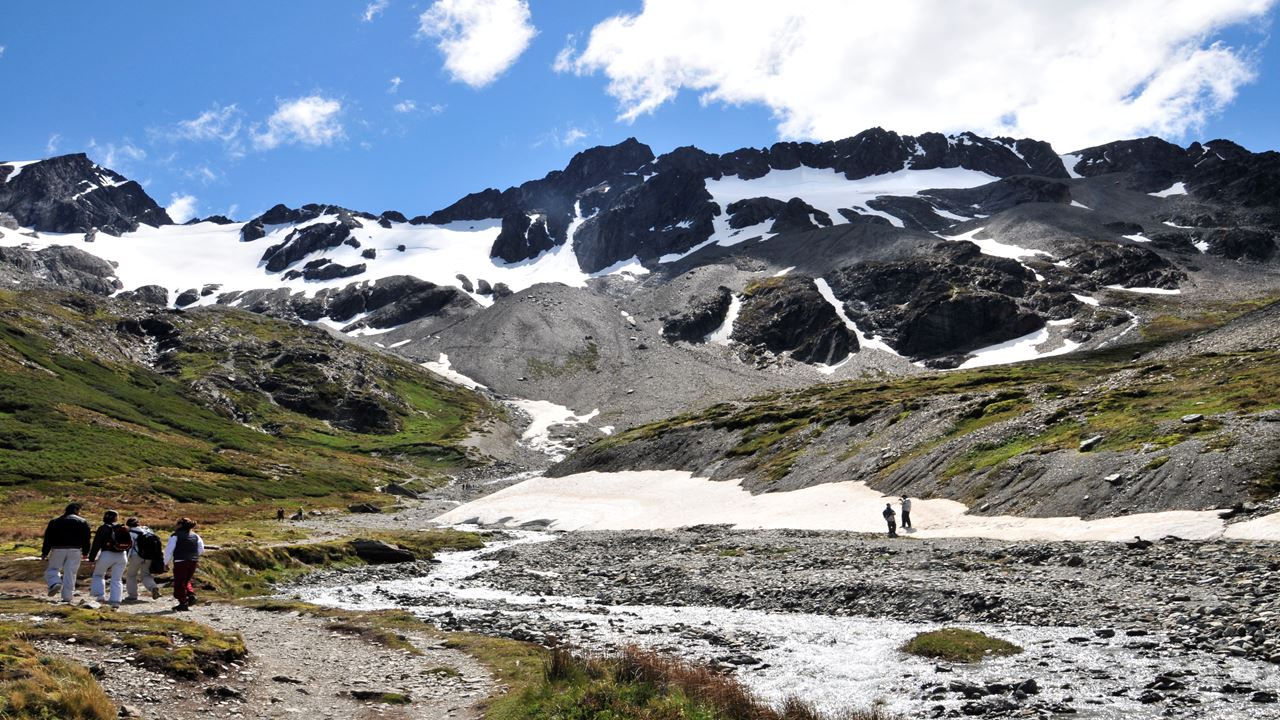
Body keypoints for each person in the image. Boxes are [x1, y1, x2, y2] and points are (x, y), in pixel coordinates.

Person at [42, 503, 91, 603]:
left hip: (58, 548)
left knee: (53, 569)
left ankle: (55, 582)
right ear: (77, 510)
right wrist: (86, 552)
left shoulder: (55, 521)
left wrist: (45, 552)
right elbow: (86, 539)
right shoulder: (83, 521)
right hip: (76, 550)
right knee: (71, 572)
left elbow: (48, 538)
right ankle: (67, 597)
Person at [88, 510, 132, 610]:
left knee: (98, 574)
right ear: (115, 518)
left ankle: (100, 597)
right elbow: (130, 544)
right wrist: (126, 555)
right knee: (117, 579)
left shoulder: (103, 528)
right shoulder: (122, 528)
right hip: (122, 555)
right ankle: (115, 601)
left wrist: (92, 558)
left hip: (106, 554)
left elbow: (96, 544)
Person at [164, 517, 204, 611]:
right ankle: (191, 595)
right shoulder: (196, 536)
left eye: (177, 523)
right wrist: (193, 555)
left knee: (179, 582)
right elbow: (201, 549)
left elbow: (169, 551)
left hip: (180, 561)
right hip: (193, 561)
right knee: (186, 580)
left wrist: (165, 563)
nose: (175, 525)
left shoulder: (175, 536)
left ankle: (183, 602)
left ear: (180, 525)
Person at [123, 518, 162, 602]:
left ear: (128, 525)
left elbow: (130, 547)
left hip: (136, 556)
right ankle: (153, 588)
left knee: (131, 575)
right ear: (138, 523)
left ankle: (132, 595)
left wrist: (125, 559)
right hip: (149, 556)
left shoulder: (130, 533)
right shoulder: (148, 530)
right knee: (145, 574)